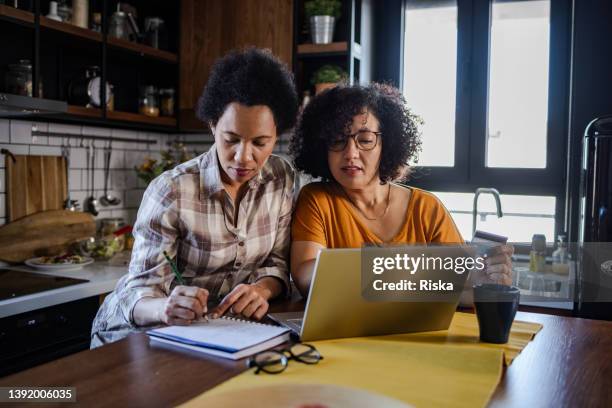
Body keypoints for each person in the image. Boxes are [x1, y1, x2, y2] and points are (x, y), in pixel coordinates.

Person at [91, 48, 298, 348]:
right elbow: (138, 293)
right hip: (140, 338)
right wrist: (165, 306)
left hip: (222, 335)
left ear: (276, 135)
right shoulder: (172, 190)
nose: (243, 156)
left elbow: (277, 264)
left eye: (260, 142)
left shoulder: (281, 178)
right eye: (231, 139)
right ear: (213, 125)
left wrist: (261, 290)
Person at [289, 83, 513, 298]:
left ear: (387, 144)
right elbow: (306, 277)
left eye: (365, 140)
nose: (350, 153)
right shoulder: (316, 200)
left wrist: (483, 280)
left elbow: (460, 287)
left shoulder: (427, 209)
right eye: (337, 140)